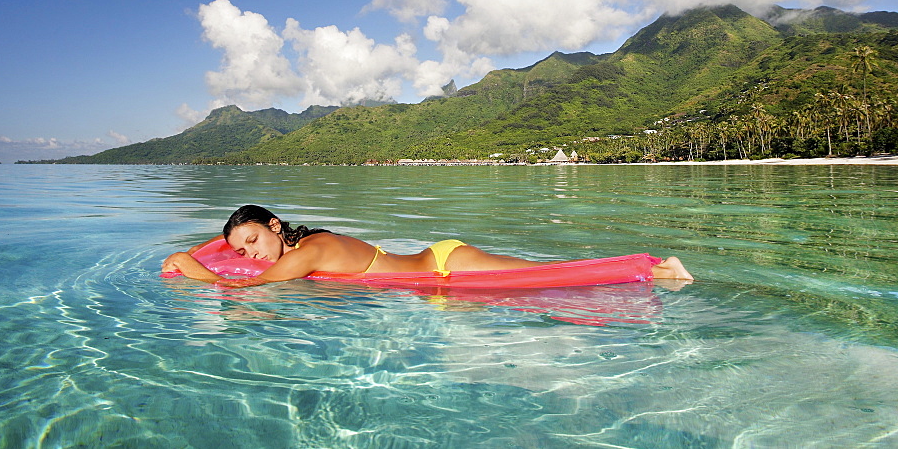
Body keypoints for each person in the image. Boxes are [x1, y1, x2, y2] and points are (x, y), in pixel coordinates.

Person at [161, 204, 694, 286]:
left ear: (276, 226)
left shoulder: (309, 252)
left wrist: (190, 265)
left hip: (444, 268)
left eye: (253, 240)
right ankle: (652, 268)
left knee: (551, 274)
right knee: (544, 275)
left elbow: (247, 296)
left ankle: (661, 268)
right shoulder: (307, 249)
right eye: (242, 251)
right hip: (436, 262)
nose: (249, 255)